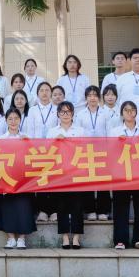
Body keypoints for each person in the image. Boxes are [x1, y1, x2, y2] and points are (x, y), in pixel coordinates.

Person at [109, 101, 139, 249]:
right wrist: (117, 142)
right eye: (126, 110)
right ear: (121, 113)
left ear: (136, 112)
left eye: (132, 110)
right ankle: (120, 240)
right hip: (121, 173)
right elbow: (110, 152)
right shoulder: (115, 131)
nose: (129, 112)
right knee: (120, 207)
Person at [48, 101, 86, 249]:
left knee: (78, 204)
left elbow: (86, 149)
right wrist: (55, 142)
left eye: (68, 111)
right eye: (62, 112)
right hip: (59, 172)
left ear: (73, 114)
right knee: (61, 205)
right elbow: (47, 152)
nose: (65, 114)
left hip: (77, 172)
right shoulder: (52, 132)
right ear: (58, 114)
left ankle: (76, 237)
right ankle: (64, 237)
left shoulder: (81, 131)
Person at [0, 108, 35, 249]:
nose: (13, 121)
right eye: (10, 119)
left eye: (16, 118)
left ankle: (22, 239)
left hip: (23, 178)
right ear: (6, 121)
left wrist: (28, 143)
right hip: (6, 176)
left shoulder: (26, 137)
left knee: (23, 207)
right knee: (8, 207)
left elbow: (33, 156)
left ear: (20, 120)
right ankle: (11, 238)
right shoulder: (1, 139)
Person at [76, 86, 111, 221]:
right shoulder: (80, 114)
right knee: (88, 181)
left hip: (102, 151)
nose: (92, 98)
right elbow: (78, 133)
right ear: (86, 98)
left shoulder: (105, 113)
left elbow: (109, 132)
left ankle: (103, 211)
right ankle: (90, 210)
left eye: (95, 95)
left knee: (103, 181)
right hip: (86, 152)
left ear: (99, 98)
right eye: (89, 95)